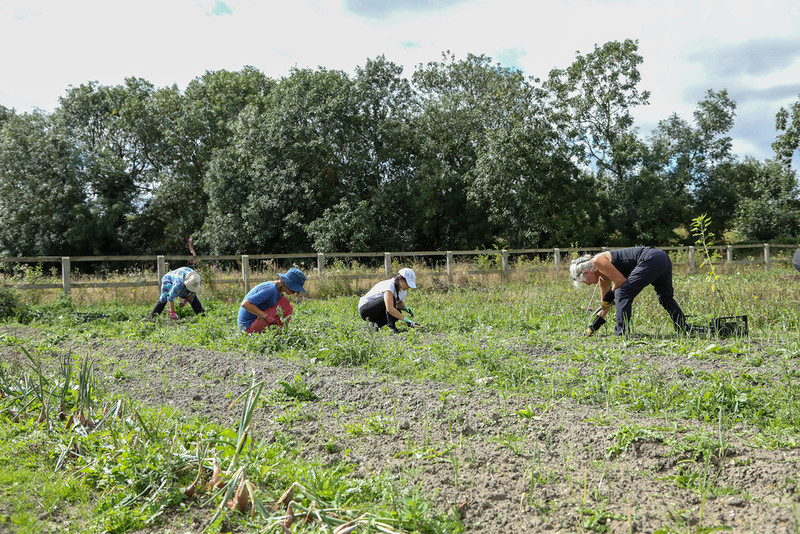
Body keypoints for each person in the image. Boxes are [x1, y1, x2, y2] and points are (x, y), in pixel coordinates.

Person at [569, 247, 686, 336]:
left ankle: (621, 332)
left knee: (621, 291)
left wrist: (611, 293)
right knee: (665, 297)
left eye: (584, 281)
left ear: (586, 273)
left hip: (652, 258)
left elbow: (620, 281)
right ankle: (683, 327)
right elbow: (605, 305)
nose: (587, 284)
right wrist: (593, 327)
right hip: (662, 258)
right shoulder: (603, 279)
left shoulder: (598, 260)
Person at [237, 267, 307, 333]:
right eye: (294, 288)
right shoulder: (270, 289)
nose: (295, 292)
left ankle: (281, 331)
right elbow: (245, 304)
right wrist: (266, 316)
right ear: (286, 282)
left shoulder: (279, 292)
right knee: (285, 303)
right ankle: (279, 332)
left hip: (254, 324)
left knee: (288, 306)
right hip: (247, 328)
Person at [358, 268, 421, 332]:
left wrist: (405, 308)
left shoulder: (402, 289)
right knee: (392, 303)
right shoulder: (389, 285)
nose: (409, 286)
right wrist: (407, 321)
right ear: (400, 279)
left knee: (398, 312)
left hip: (377, 311)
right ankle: (392, 329)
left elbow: (399, 303)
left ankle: (374, 326)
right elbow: (390, 309)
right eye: (408, 283)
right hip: (366, 309)